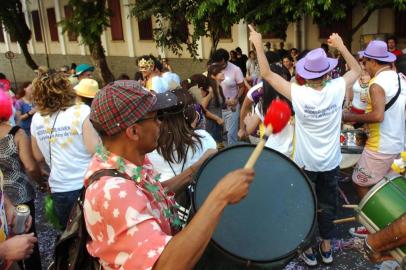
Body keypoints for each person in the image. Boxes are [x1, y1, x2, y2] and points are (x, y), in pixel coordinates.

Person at [83, 80, 255, 269]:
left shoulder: (126, 161)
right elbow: (165, 265)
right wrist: (220, 197)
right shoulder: (112, 192)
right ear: (133, 131)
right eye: (157, 117)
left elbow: (150, 196)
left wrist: (195, 168)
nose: (162, 123)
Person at [249, 25, 361, 266]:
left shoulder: (298, 93)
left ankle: (308, 250)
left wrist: (258, 43)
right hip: (331, 163)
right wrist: (341, 46)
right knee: (329, 205)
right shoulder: (337, 88)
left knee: (304, 206)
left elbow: (267, 75)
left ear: (306, 75)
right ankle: (327, 247)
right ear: (327, 73)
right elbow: (357, 69)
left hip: (305, 163)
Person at [30, 71, 99, 229]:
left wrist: (44, 174)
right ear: (67, 88)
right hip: (87, 184)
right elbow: (94, 149)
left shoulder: (37, 118)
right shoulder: (82, 111)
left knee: (69, 237)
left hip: (59, 187)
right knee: (94, 235)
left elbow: (38, 157)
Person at [343, 41, 405, 199]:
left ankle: (375, 223)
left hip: (380, 146)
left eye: (365, 61)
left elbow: (378, 116)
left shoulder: (376, 84)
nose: (364, 65)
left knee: (359, 182)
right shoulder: (399, 78)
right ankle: (393, 220)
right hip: (397, 142)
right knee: (384, 184)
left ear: (373, 61)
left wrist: (349, 117)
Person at [0, 91, 43, 270]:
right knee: (28, 242)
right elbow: (31, 167)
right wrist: (41, 183)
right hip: (21, 194)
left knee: (7, 240)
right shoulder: (16, 133)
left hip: (3, 199)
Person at [210, 48, 245, 145]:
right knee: (221, 134)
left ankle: (232, 154)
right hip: (217, 107)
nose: (219, 67)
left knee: (231, 133)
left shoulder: (235, 69)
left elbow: (242, 87)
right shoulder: (213, 68)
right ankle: (224, 153)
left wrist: (236, 98)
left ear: (226, 60)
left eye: (221, 64)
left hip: (232, 107)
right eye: (217, 64)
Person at [181, 74, 224, 144]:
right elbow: (202, 107)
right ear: (200, 89)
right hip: (208, 129)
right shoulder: (196, 105)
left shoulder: (187, 99)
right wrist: (210, 94)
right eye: (206, 88)